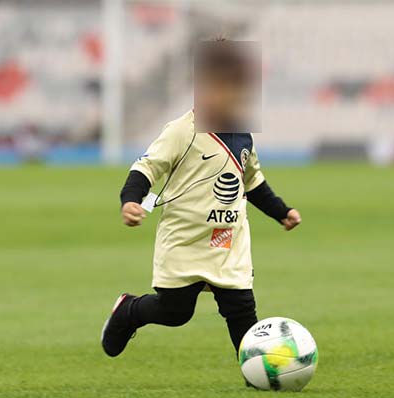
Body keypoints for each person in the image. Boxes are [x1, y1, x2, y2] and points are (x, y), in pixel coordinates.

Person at [101, 40, 301, 359]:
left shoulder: (242, 133)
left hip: (228, 240)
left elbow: (252, 181)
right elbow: (147, 166)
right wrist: (131, 199)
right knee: (175, 313)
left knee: (241, 311)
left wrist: (281, 211)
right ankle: (129, 311)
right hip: (185, 240)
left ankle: (260, 375)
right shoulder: (182, 130)